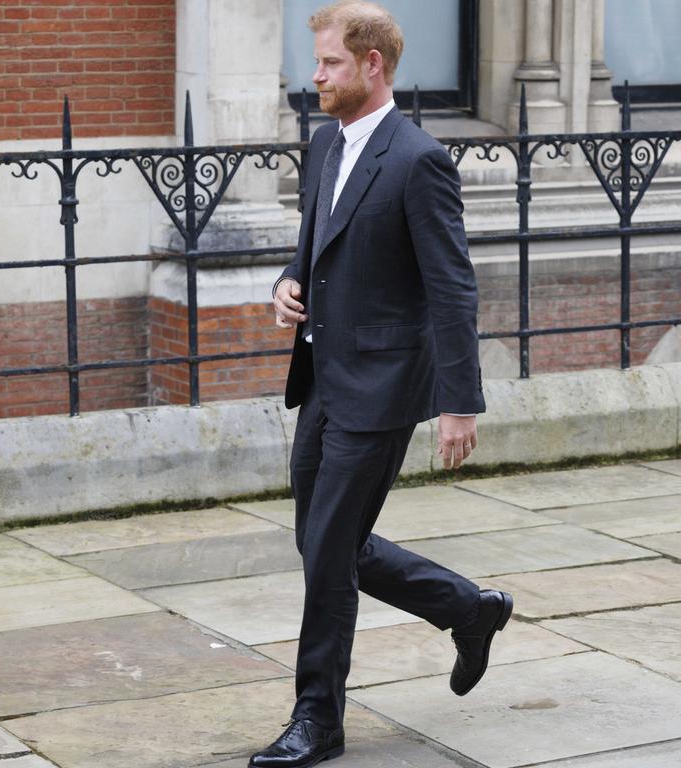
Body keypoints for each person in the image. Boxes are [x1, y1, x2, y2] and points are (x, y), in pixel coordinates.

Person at [249, 3, 513, 767]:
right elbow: (314, 251)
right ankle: (468, 608)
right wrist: (287, 284)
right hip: (323, 380)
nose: (316, 75)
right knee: (320, 539)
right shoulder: (326, 144)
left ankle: (316, 719)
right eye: (318, 61)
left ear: (374, 65)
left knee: (329, 551)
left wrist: (459, 402)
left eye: (329, 63)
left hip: (386, 386)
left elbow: (453, 288)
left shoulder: (418, 159)